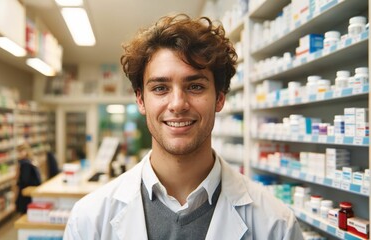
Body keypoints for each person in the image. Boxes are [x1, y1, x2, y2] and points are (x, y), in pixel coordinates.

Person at [64, 14, 303, 239]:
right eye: (160, 88)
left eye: (195, 87)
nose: (178, 104)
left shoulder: (276, 225)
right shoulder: (89, 220)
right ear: (140, 100)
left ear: (220, 98)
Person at [15, 142, 42, 213]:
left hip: (26, 193)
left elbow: (24, 180)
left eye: (21, 151)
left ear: (26, 151)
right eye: (18, 151)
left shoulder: (24, 163)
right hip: (33, 191)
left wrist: (17, 181)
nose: (19, 153)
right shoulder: (31, 160)